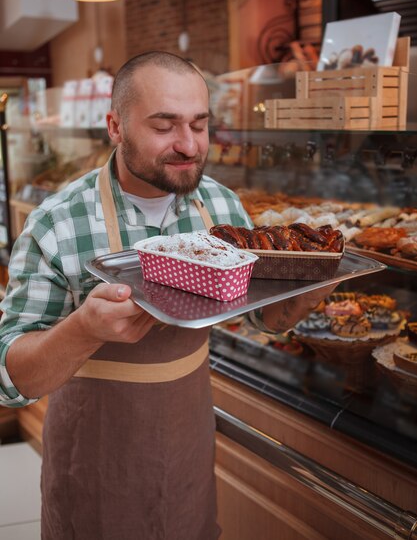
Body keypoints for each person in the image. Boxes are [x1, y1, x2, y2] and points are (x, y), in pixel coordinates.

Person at [0, 51, 332, 539]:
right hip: (95, 457)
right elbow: (11, 379)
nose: (188, 145)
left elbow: (263, 321)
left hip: (187, 442)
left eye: (199, 125)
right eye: (164, 126)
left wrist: (300, 299)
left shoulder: (221, 206)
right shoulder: (56, 223)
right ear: (115, 126)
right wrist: (83, 329)